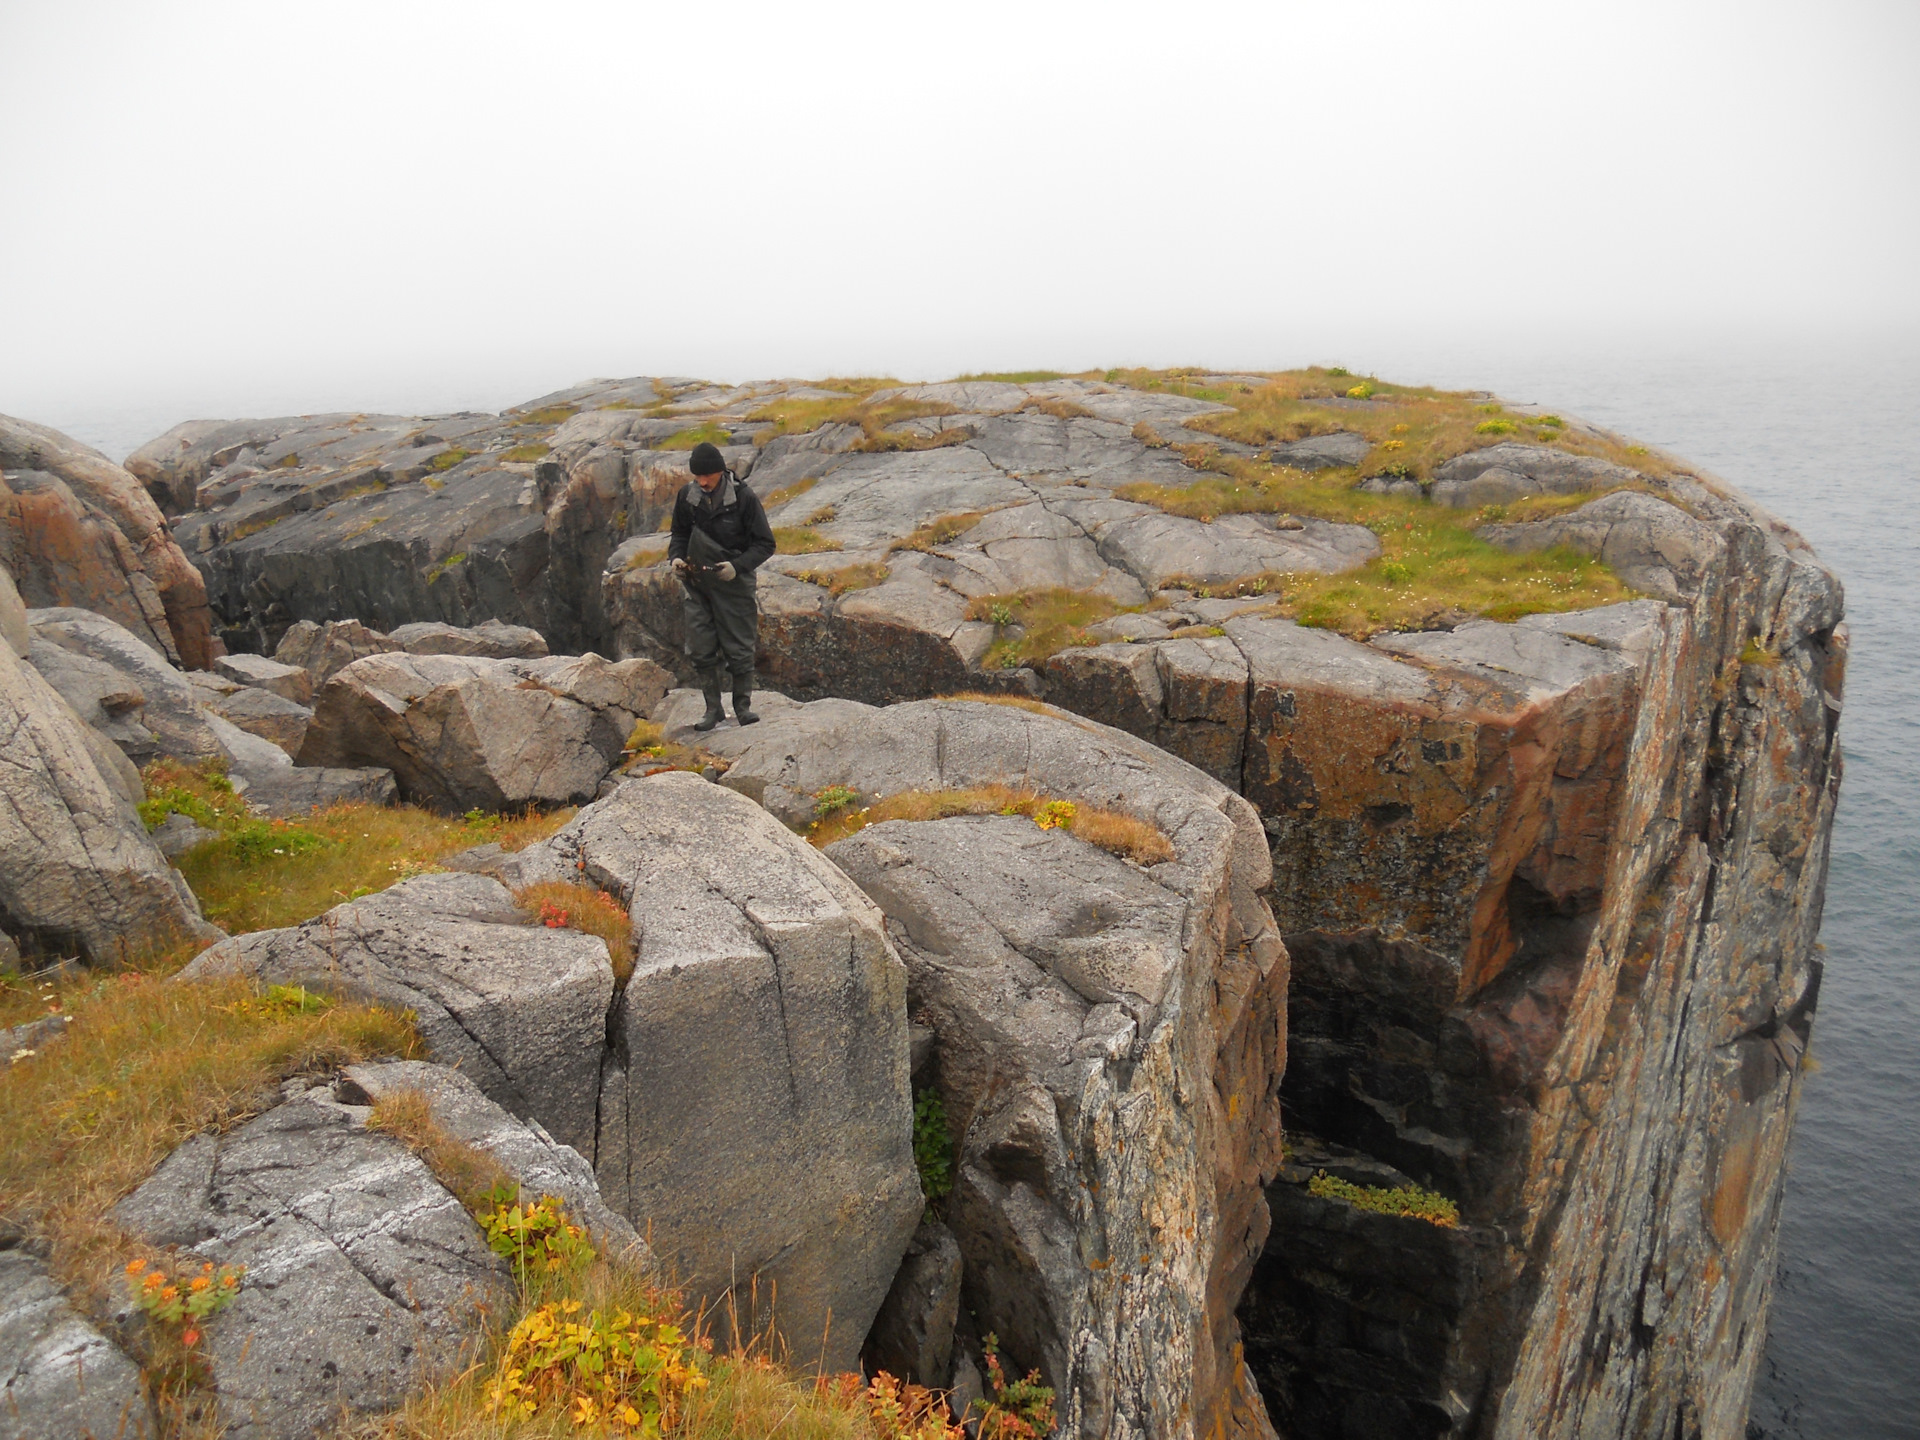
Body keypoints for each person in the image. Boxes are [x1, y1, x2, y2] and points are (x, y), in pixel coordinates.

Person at [668, 441, 776, 730]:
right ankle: (712, 710)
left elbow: (766, 544)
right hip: (697, 583)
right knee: (700, 648)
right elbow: (678, 533)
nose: (702, 482)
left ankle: (743, 708)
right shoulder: (686, 497)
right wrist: (676, 558)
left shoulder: (744, 498)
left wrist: (737, 567)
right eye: (697, 477)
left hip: (734, 584)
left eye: (708, 476)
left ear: (720, 471)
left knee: (739, 648)